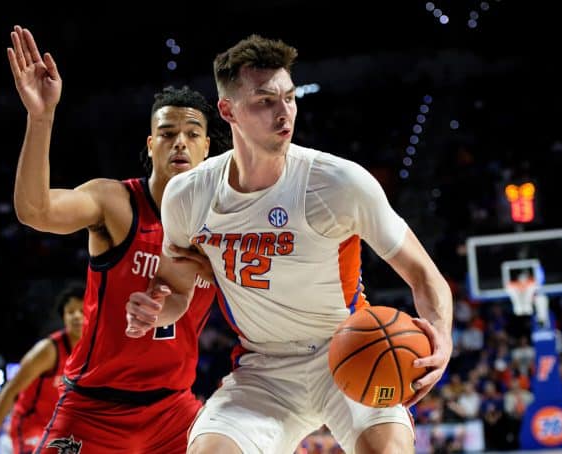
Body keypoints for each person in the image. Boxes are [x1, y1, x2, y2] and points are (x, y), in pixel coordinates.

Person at [126, 34, 453, 454]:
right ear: (228, 111)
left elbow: (424, 275)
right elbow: (175, 293)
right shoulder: (187, 195)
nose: (284, 114)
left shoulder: (338, 183)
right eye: (265, 101)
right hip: (263, 369)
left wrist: (442, 337)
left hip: (350, 344)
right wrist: (154, 309)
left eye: (289, 97)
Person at [6, 25, 219, 453]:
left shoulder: (221, 224)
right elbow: (35, 211)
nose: (180, 141)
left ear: (208, 148)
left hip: (173, 411)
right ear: (151, 143)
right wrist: (41, 117)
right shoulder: (115, 202)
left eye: (192, 133)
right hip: (94, 408)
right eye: (167, 132)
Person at [0, 283, 84, 454]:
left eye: (83, 311)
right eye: (70, 312)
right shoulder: (47, 351)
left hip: (63, 429)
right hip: (31, 425)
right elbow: (10, 390)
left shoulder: (94, 351)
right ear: (63, 317)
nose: (77, 316)